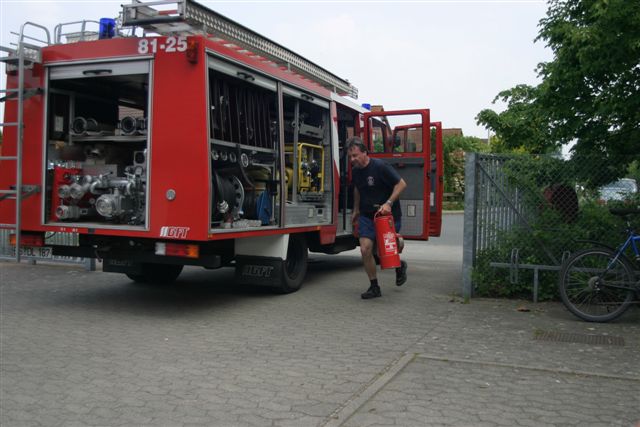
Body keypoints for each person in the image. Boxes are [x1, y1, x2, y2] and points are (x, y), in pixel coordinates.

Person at [347, 136, 408, 299]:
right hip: (367, 215)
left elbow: (401, 184)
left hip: (387, 215)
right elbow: (358, 189)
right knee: (365, 249)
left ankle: (399, 265)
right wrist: (356, 209)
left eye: (355, 155)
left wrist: (388, 203)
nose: (352, 160)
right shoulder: (356, 171)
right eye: (350, 157)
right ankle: (374, 287)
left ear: (365, 152)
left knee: (383, 251)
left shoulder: (381, 166)